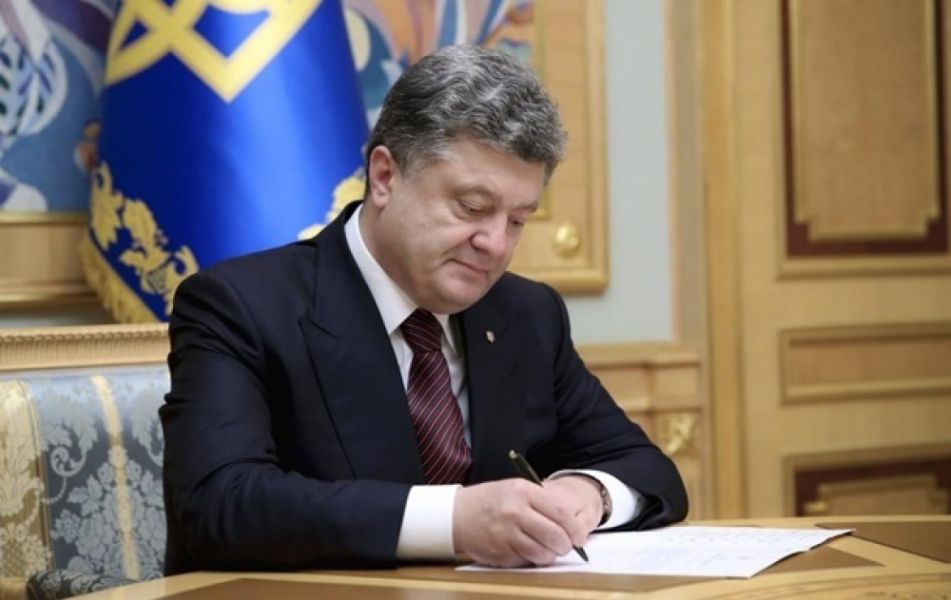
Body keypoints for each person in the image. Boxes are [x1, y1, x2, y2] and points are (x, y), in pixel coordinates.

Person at [160, 44, 687, 575]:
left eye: (518, 220)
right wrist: (455, 520)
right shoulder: (242, 306)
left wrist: (587, 491)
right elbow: (218, 505)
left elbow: (648, 469)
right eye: (472, 207)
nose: (495, 244)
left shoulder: (526, 314)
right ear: (384, 177)